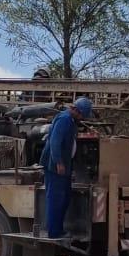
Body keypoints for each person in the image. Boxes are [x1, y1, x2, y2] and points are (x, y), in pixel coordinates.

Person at [40, 97, 93, 239]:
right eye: (82, 115)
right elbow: (55, 142)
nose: (82, 118)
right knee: (56, 199)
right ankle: (54, 232)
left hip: (64, 166)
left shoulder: (70, 121)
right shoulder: (64, 119)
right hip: (55, 166)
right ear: (76, 110)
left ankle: (58, 229)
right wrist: (59, 162)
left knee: (65, 197)